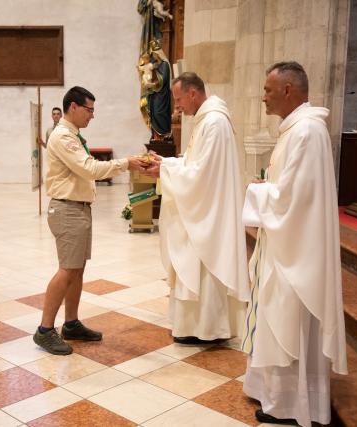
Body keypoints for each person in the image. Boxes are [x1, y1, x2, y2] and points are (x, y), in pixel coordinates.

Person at [240, 61, 347, 426]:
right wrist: (268, 187)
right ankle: (275, 397)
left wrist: (258, 191)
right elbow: (289, 189)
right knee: (276, 319)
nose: (262, 97)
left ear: (288, 90)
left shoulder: (307, 133)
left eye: (268, 90)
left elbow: (293, 198)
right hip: (286, 242)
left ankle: (291, 405)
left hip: (298, 251)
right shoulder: (296, 131)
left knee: (289, 322)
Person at [33, 86, 147, 355]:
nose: (92, 115)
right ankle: (44, 330)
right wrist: (126, 163)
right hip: (68, 209)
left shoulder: (73, 135)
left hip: (79, 209)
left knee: (77, 269)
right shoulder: (63, 137)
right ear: (73, 107)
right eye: (89, 109)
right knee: (66, 270)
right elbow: (90, 169)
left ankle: (70, 324)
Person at [143, 72, 249, 344]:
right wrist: (165, 165)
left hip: (208, 212)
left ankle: (208, 329)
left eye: (179, 99)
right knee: (194, 265)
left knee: (203, 263)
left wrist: (165, 169)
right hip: (204, 206)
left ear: (193, 93)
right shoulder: (205, 120)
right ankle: (194, 327)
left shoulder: (214, 122)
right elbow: (193, 163)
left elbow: (202, 175)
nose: (177, 107)